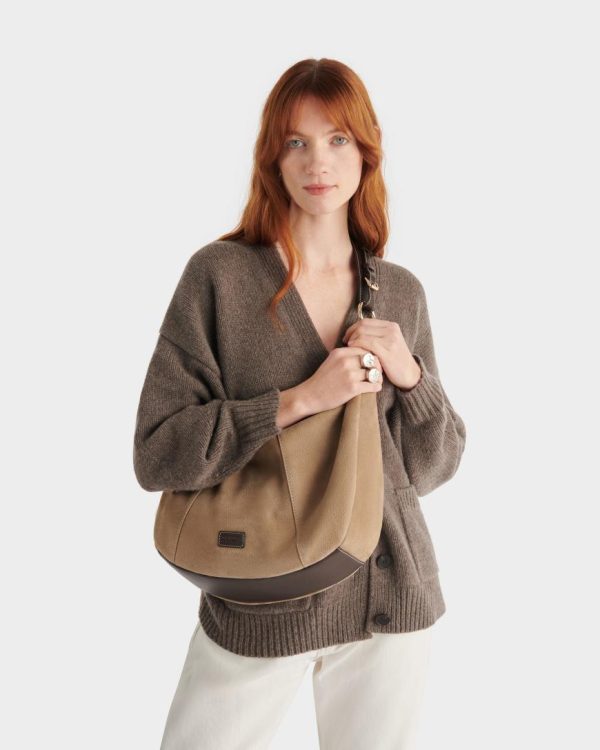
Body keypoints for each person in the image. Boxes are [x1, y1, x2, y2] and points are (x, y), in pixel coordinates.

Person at [133, 57, 466, 749]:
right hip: (260, 599)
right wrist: (298, 400)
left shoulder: (400, 291)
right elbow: (158, 451)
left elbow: (429, 470)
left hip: (387, 599)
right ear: (273, 158)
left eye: (338, 139)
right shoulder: (220, 278)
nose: (319, 161)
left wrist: (411, 378)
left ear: (366, 152)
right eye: (297, 141)